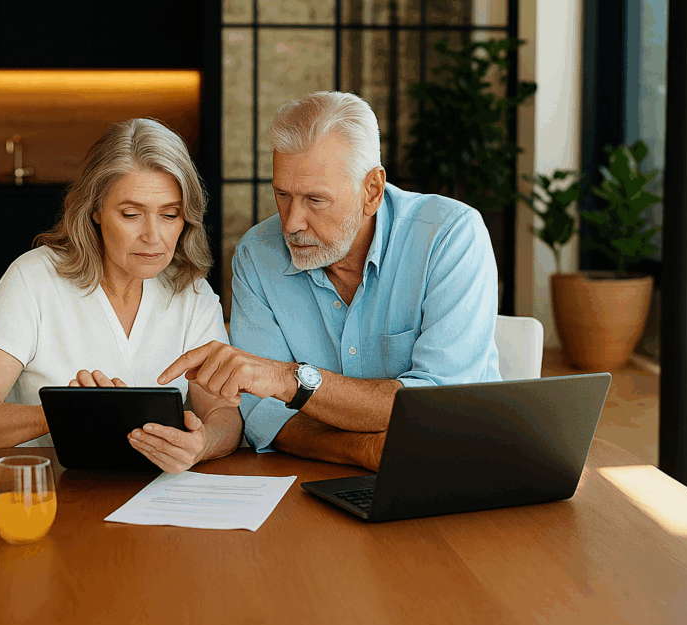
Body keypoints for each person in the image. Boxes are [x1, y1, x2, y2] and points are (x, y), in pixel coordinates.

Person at [158, 91, 500, 471]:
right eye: (282, 195)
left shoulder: (448, 236)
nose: (292, 223)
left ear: (371, 191)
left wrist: (289, 380)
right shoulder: (257, 254)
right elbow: (264, 417)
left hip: (454, 471)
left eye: (315, 200)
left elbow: (440, 408)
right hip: (316, 476)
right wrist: (363, 450)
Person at [0, 118, 243, 473]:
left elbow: (223, 413)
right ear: (95, 209)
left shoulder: (191, 291)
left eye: (170, 215)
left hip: (157, 491)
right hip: (53, 488)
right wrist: (66, 412)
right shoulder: (34, 279)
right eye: (131, 214)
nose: (153, 236)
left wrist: (202, 444)